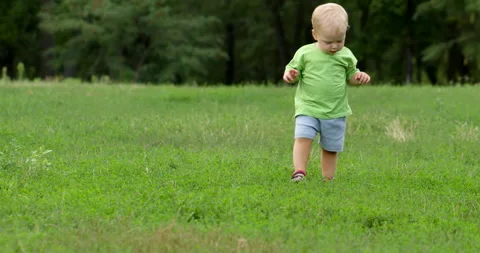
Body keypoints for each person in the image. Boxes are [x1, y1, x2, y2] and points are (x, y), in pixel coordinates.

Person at [283, 3, 370, 182]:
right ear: (315, 35)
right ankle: (299, 171)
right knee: (303, 137)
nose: (334, 47)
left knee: (330, 148)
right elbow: (292, 71)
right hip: (308, 107)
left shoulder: (346, 55)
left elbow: (350, 77)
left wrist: (358, 78)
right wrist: (291, 75)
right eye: (328, 42)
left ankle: (328, 179)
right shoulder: (305, 53)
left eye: (339, 41)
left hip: (335, 112)